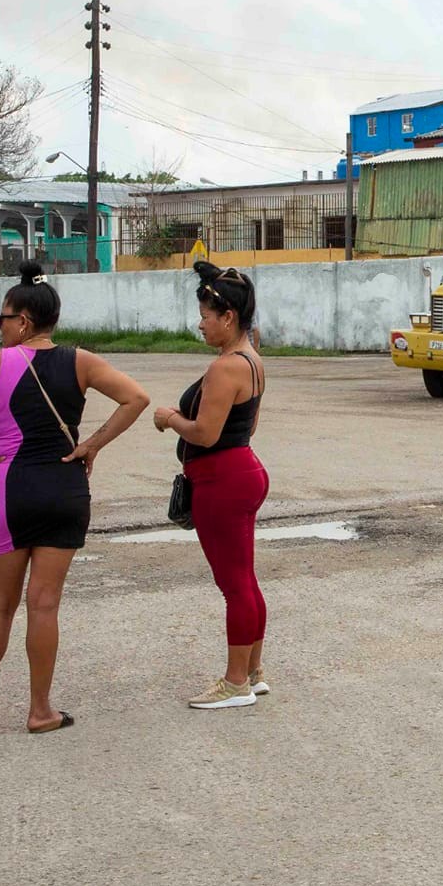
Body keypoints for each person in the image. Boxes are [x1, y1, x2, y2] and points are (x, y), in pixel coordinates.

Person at [0, 261, 150, 734]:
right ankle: (41, 711)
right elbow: (136, 399)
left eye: (1, 319)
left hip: (8, 492)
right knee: (44, 604)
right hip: (65, 487)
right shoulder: (82, 360)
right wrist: (91, 444)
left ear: (23, 321)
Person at [155, 262, 272, 709]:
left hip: (223, 479)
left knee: (234, 585)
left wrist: (170, 420)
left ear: (227, 318)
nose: (199, 323)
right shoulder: (253, 360)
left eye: (205, 315)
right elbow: (249, 425)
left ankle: (235, 682)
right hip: (241, 470)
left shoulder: (226, 367)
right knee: (245, 580)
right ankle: (254, 671)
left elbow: (204, 433)